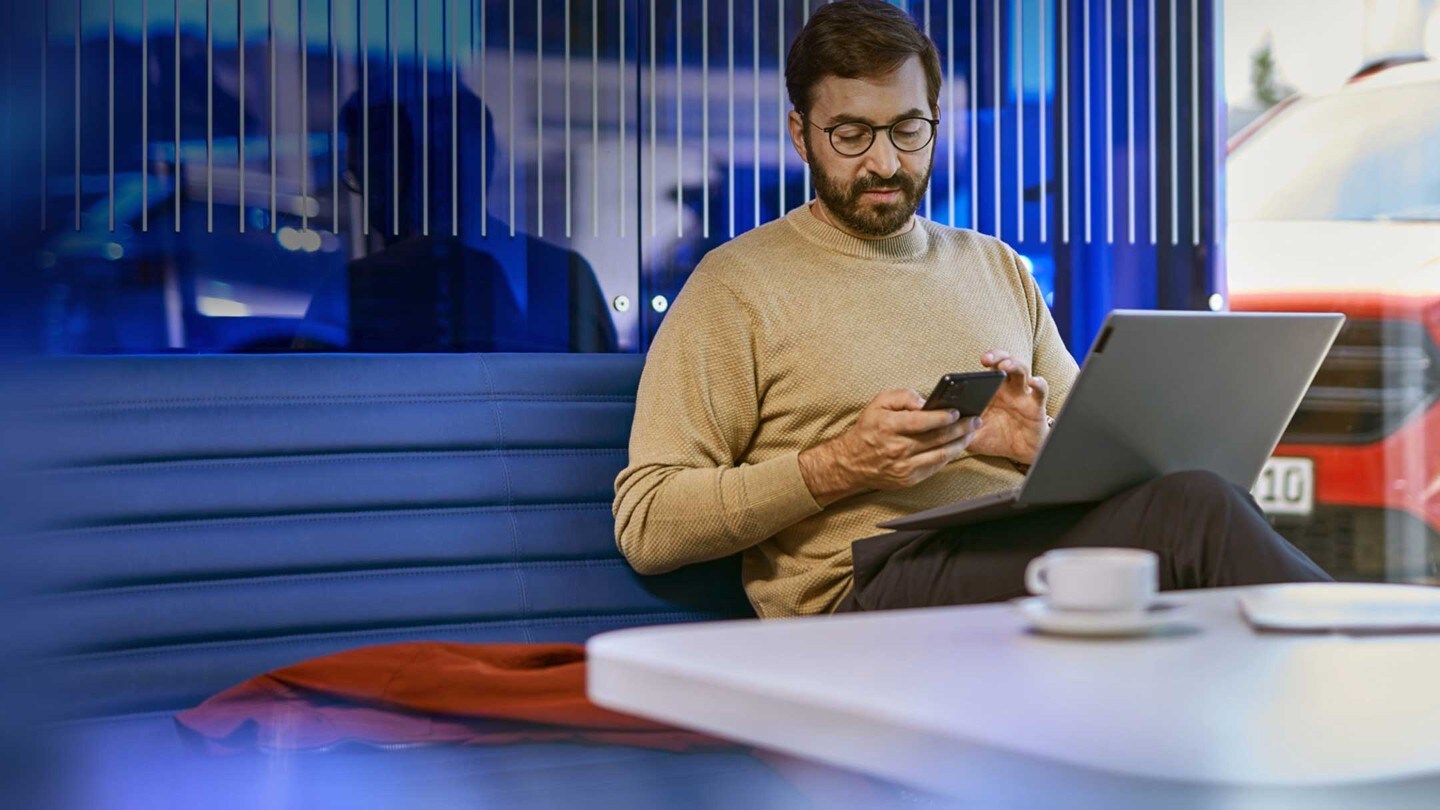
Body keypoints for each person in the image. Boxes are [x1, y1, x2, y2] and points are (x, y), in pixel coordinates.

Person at [612, 0, 1329, 618]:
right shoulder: (737, 285)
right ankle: (1382, 667)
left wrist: (1037, 447)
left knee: (1194, 507)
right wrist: (840, 465)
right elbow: (648, 523)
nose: (886, 163)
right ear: (801, 135)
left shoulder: (994, 266)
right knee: (1194, 515)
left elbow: (1115, 472)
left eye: (908, 129)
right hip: (863, 595)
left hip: (1011, 552)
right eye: (852, 134)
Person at [299, 82, 616, 354]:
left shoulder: (355, 293)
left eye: (368, 175)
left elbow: (307, 410)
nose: (366, 195)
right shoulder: (566, 278)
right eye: (360, 176)